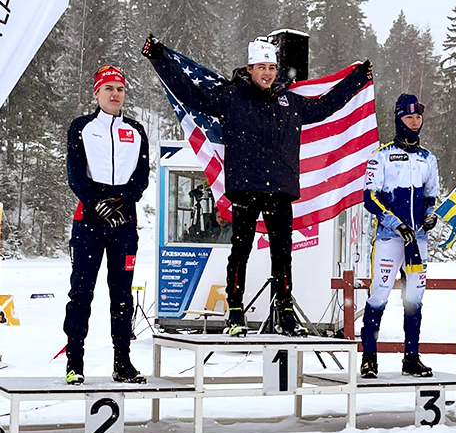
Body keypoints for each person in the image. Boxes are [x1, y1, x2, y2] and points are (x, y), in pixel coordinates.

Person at [142, 35, 372, 337]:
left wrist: (356, 79)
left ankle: (285, 312)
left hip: (280, 190)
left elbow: (326, 106)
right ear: (249, 68)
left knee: (283, 255)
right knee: (240, 252)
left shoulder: (290, 100)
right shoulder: (230, 96)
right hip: (245, 189)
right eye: (261, 67)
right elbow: (190, 94)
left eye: (272, 67)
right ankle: (235, 311)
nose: (267, 73)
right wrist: (160, 58)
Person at [64, 65, 150, 385]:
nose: (115, 95)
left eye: (120, 89)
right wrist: (96, 202)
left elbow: (141, 178)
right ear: (96, 93)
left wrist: (122, 201)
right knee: (81, 292)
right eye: (109, 89)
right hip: (88, 218)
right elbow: (75, 173)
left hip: (124, 220)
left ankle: (122, 361)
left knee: (122, 293)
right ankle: (75, 361)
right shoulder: (81, 127)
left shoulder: (137, 130)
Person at [360, 94, 440, 378]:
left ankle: (411, 357)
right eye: (409, 117)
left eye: (418, 117)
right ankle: (369, 357)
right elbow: (370, 197)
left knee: (414, 297)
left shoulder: (428, 158)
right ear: (398, 119)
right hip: (389, 238)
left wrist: (431, 215)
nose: (414, 122)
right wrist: (394, 223)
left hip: (417, 239)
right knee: (379, 293)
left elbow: (432, 195)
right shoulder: (381, 155)